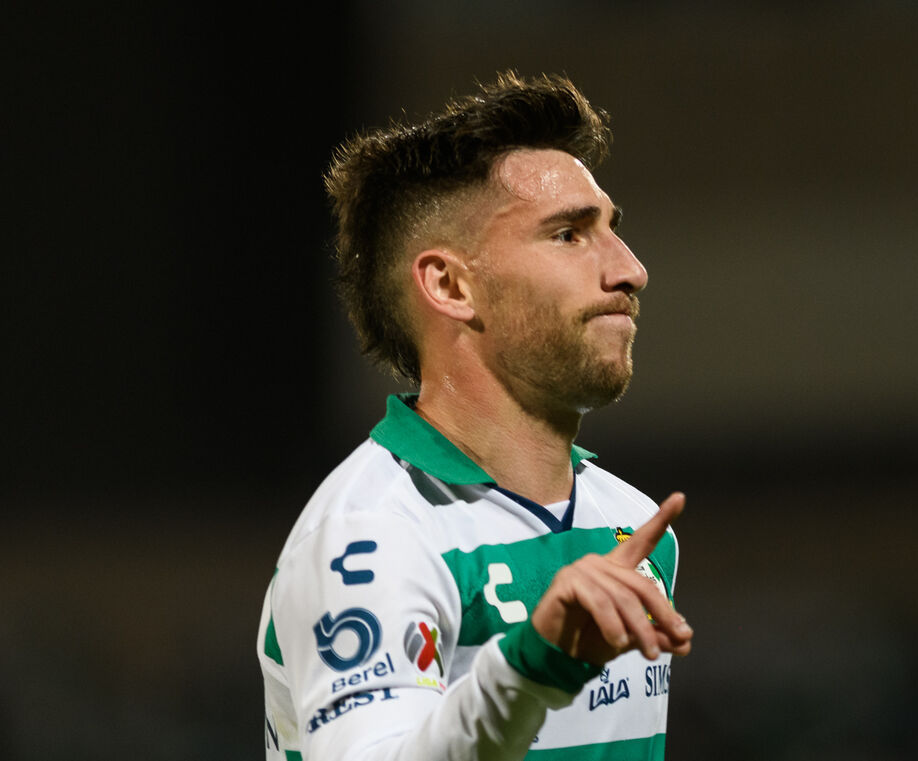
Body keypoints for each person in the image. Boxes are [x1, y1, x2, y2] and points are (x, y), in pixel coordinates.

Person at [256, 72, 692, 761]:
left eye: (613, 229)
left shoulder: (630, 525)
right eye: (569, 234)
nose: (630, 270)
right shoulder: (369, 536)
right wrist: (531, 665)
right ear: (450, 284)